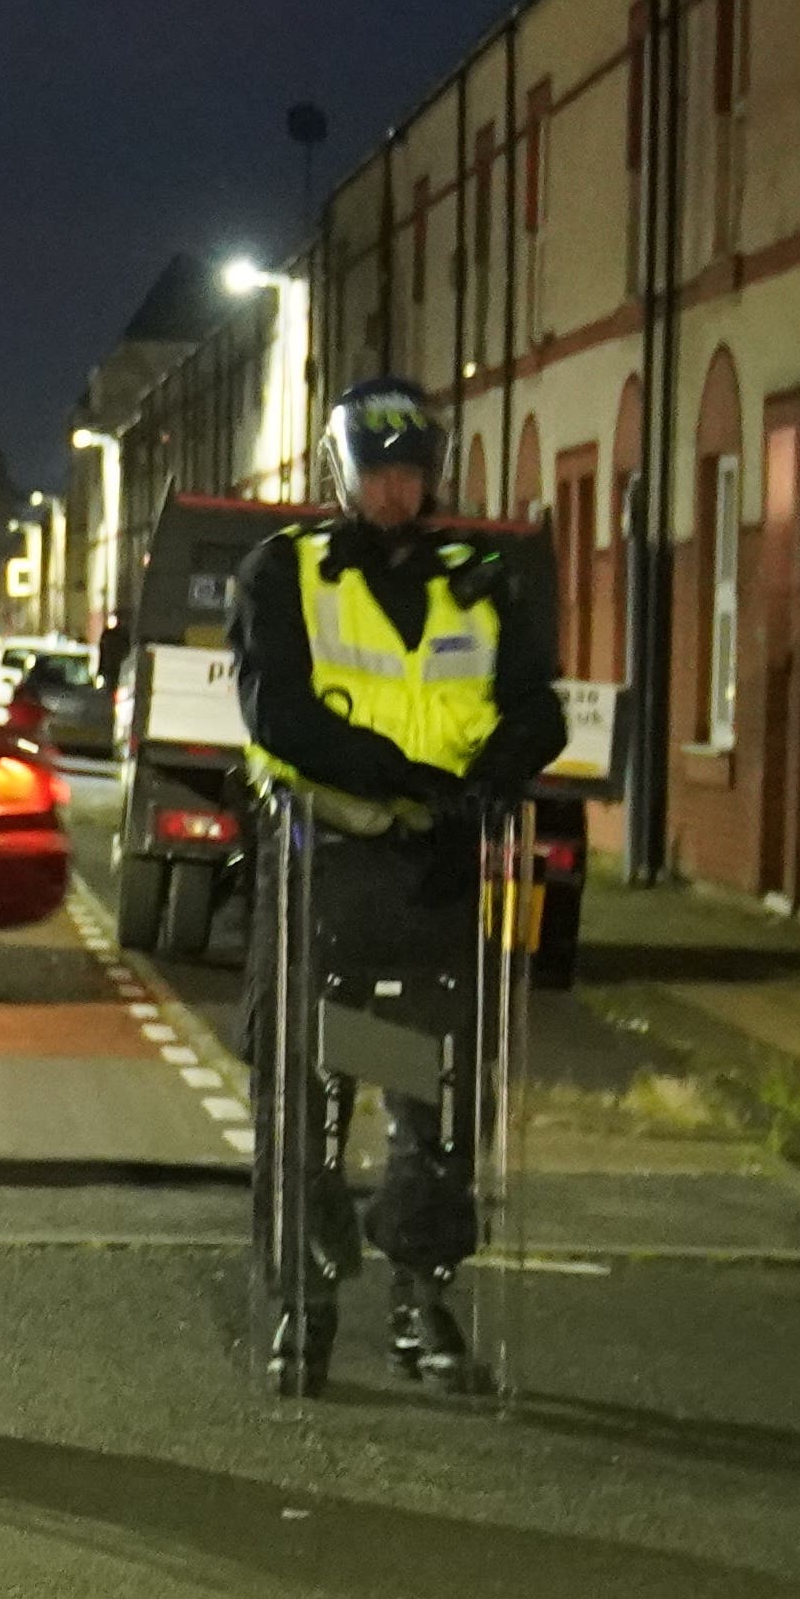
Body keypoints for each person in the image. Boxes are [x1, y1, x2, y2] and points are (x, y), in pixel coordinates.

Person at [228, 377, 562, 1382]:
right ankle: (305, 1297)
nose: (396, 495)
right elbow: (278, 714)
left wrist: (489, 777)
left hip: (440, 871)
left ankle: (424, 1294)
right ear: (341, 473)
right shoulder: (284, 571)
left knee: (441, 1097)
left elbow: (535, 710)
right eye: (378, 475)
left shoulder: (483, 578)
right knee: (307, 1095)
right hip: (327, 861)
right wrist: (403, 776)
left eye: (411, 475)